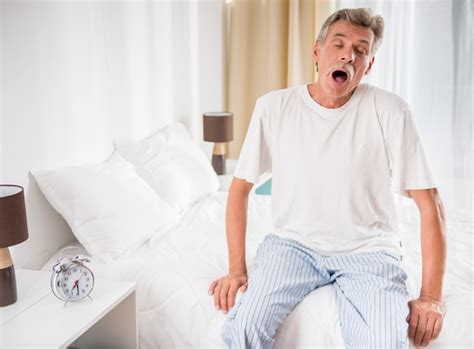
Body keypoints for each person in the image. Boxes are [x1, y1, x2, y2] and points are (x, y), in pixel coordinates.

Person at [208, 8, 446, 349]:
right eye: (339, 44)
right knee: (243, 328)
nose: (349, 54)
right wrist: (236, 269)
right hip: (292, 246)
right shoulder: (273, 107)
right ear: (318, 52)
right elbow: (240, 187)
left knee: (383, 342)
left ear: (369, 66)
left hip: (368, 251)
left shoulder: (391, 110)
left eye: (361, 50)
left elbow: (430, 205)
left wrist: (431, 296)